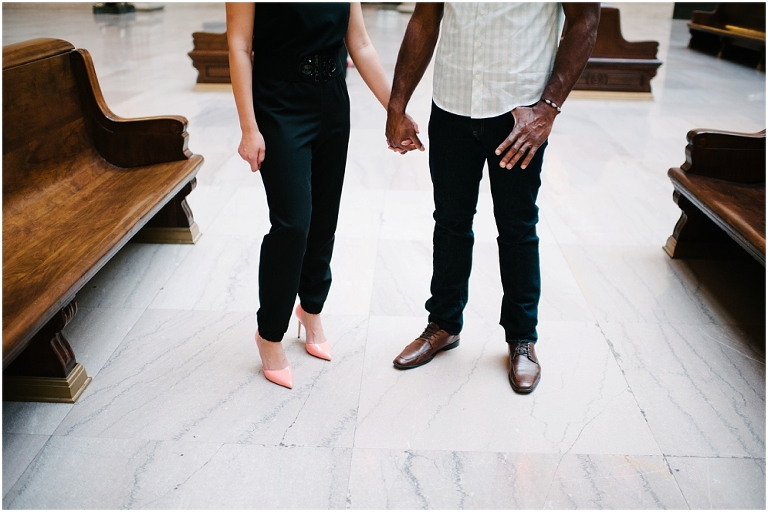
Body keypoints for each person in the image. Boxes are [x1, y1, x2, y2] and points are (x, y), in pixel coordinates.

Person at [385, 3, 600, 393]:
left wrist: (547, 110)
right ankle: (444, 325)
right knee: (450, 221)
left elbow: (585, 19)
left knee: (517, 226)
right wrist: (397, 104)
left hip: (518, 110)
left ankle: (522, 339)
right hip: (452, 103)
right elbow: (425, 16)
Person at [227, 3, 415, 389]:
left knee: (324, 218)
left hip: (331, 102)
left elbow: (360, 43)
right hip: (278, 104)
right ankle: (270, 332)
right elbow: (239, 44)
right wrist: (249, 127)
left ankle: (311, 309)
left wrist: (395, 109)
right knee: (293, 223)